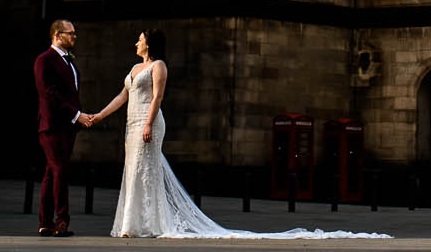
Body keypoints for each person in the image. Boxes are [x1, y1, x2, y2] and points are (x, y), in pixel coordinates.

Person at [82, 29, 386, 240]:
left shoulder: (158, 66)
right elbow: (122, 96)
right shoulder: (134, 69)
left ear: (150, 43)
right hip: (131, 124)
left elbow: (158, 98)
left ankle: (146, 224)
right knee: (132, 172)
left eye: (140, 39)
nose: (136, 43)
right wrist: (98, 115)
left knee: (145, 171)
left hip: (148, 122)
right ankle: (131, 224)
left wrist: (149, 124)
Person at [34, 19, 91, 237]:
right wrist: (77, 115)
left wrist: (78, 117)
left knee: (51, 172)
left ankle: (45, 222)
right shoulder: (44, 60)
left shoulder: (69, 62)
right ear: (58, 35)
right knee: (59, 170)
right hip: (52, 125)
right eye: (71, 33)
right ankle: (61, 221)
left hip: (67, 127)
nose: (74, 37)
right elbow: (49, 95)